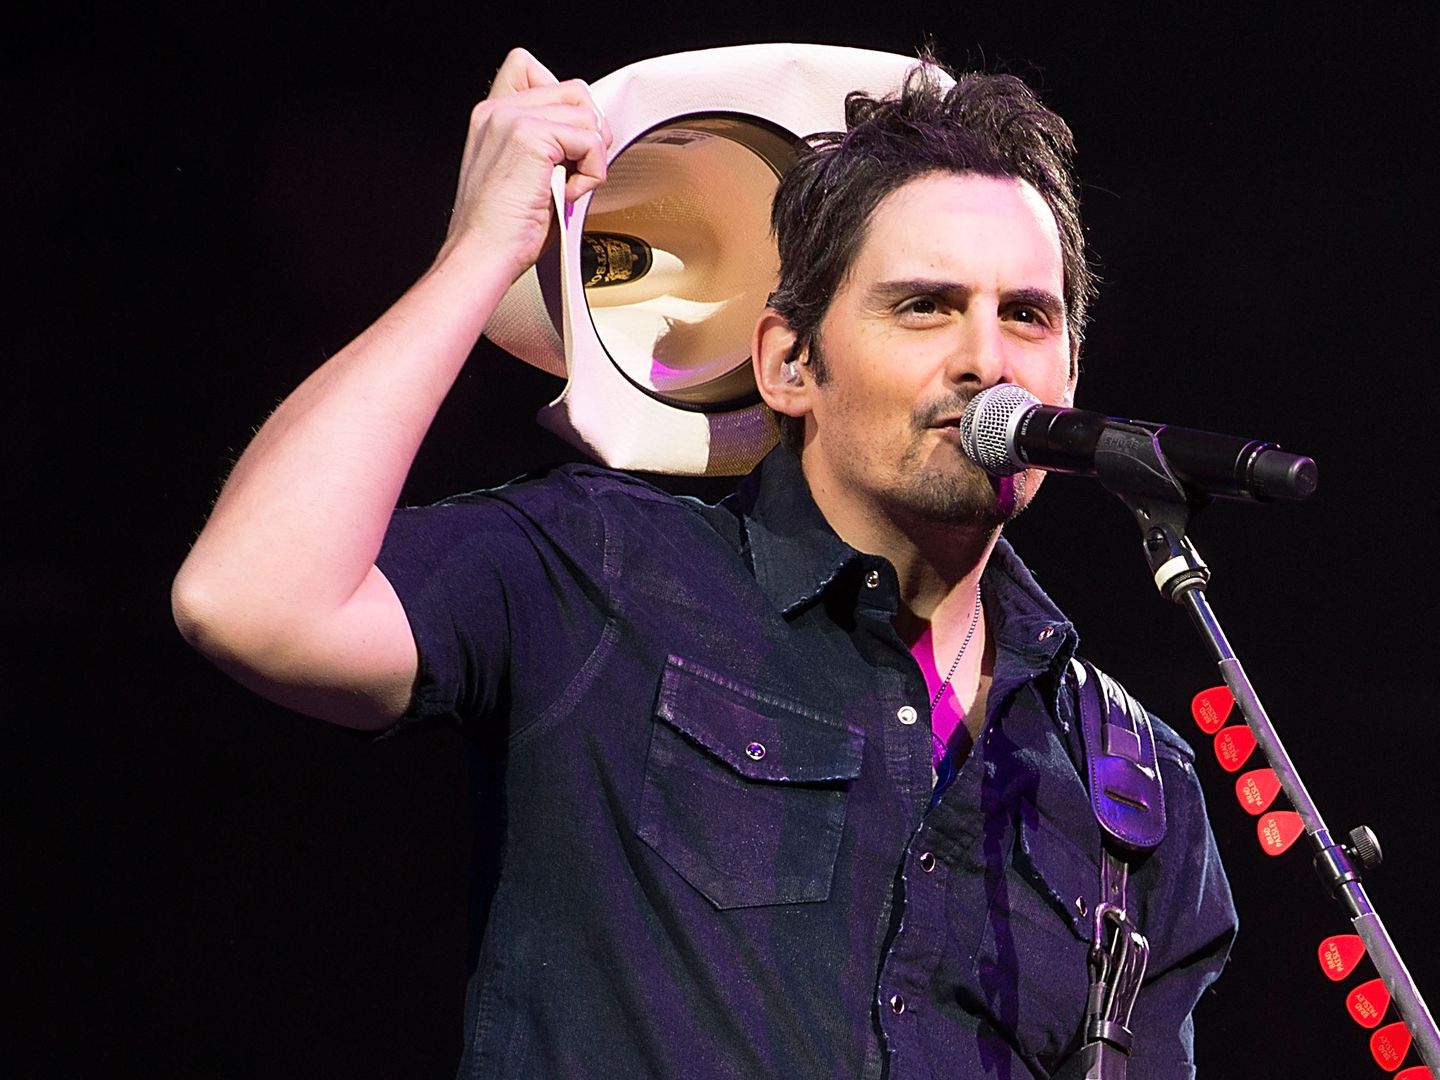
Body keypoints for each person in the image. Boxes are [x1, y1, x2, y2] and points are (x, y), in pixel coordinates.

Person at [173, 45, 1235, 1079]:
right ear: (787, 362)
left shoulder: (1134, 784)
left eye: (1026, 315)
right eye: (926, 305)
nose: (985, 358)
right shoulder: (601, 569)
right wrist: (479, 255)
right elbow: (251, 600)